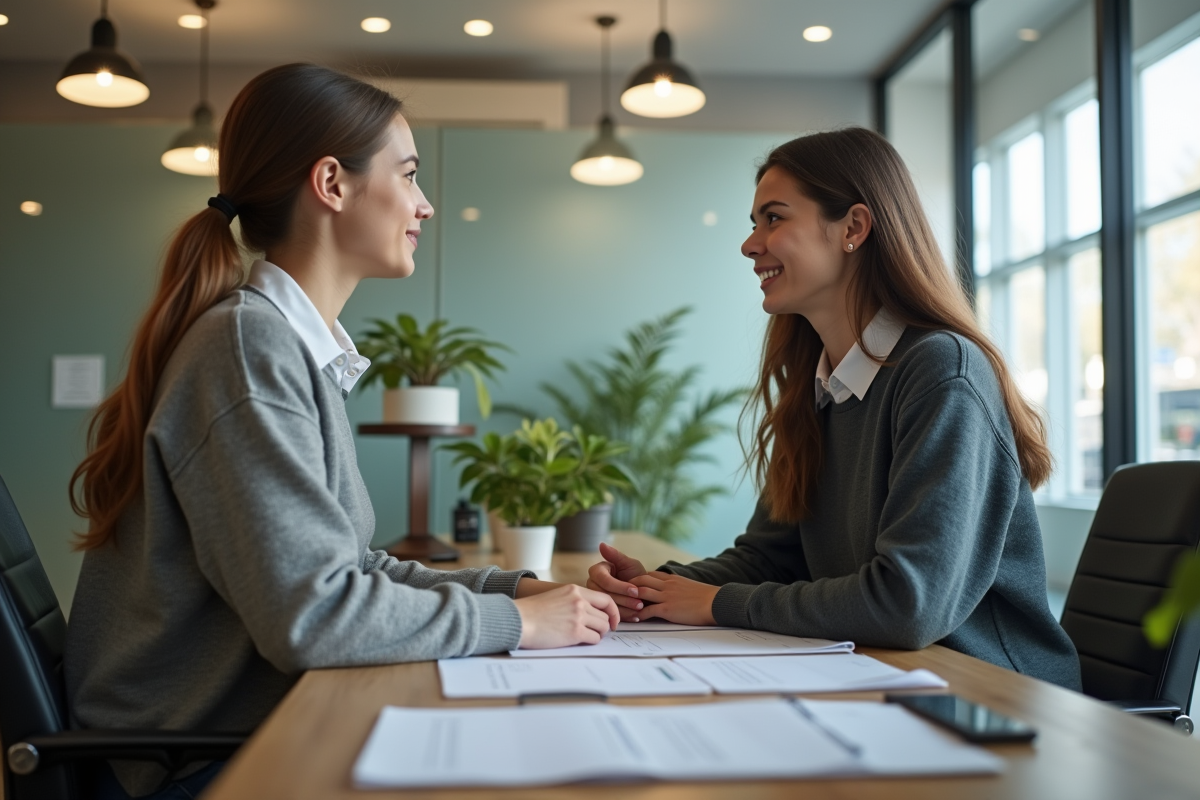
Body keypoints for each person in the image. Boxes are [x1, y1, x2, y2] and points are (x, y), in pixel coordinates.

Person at [64, 64, 616, 800]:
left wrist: (516, 588)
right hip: (184, 765)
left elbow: (351, 570)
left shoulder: (284, 346)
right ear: (331, 183)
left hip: (231, 733)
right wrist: (516, 622)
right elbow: (318, 617)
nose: (424, 204)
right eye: (409, 175)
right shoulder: (249, 348)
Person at [588, 127, 1081, 691]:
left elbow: (908, 603)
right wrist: (651, 588)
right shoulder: (819, 386)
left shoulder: (941, 371)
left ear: (853, 228)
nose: (750, 245)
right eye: (754, 223)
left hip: (995, 693)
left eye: (774, 218)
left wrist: (717, 603)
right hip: (885, 677)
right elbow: (771, 558)